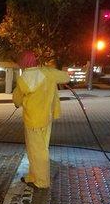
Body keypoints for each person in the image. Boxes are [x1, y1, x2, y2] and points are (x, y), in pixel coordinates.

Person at [12, 51, 69, 189]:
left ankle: (42, 182)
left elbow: (16, 99)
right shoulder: (48, 72)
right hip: (46, 118)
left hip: (32, 120)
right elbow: (66, 77)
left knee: (37, 151)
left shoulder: (24, 78)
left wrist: (18, 102)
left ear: (24, 63)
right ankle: (33, 176)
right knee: (38, 149)